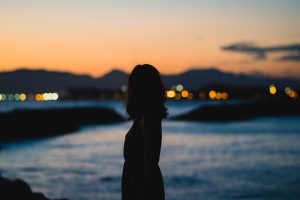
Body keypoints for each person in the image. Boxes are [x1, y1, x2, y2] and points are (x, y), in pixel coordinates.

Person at [122, 64, 167, 200]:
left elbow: (151, 163)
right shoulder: (142, 119)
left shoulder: (148, 119)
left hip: (142, 190)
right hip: (136, 187)